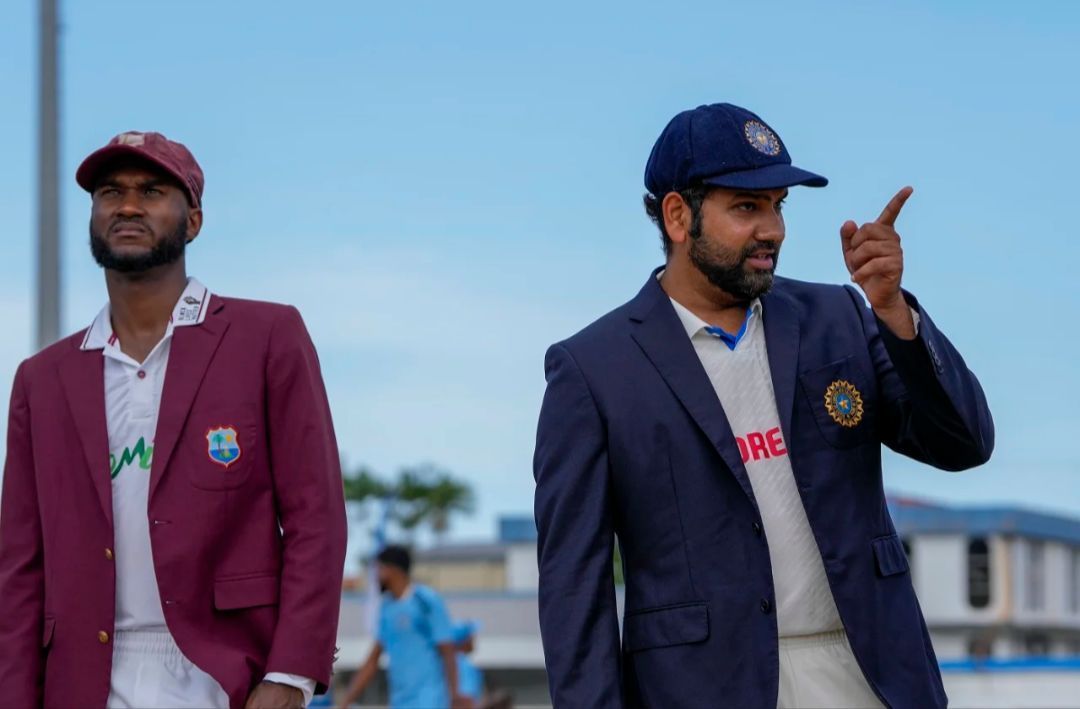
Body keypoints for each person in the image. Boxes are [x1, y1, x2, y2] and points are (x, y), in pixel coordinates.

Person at [533, 103, 994, 708]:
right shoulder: (593, 370)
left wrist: (893, 314)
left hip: (868, 673)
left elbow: (963, 445)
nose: (773, 228)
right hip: (703, 687)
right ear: (678, 215)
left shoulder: (842, 317)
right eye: (747, 207)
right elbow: (575, 589)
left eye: (778, 205)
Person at [0, 131, 347, 708]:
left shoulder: (267, 337)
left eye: (153, 191)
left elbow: (317, 516)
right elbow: (19, 566)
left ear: (193, 222)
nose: (128, 205)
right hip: (83, 678)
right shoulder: (43, 378)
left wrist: (291, 674)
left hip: (225, 674)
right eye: (111, 192)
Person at [338, 545, 460, 709]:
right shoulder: (387, 607)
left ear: (392, 569)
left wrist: (456, 697)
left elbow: (448, 651)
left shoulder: (426, 601)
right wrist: (345, 702)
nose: (376, 576)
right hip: (399, 702)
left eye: (379, 569)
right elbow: (373, 660)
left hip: (430, 701)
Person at [451, 621, 484, 708]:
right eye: (470, 636)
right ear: (463, 640)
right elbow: (466, 699)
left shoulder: (451, 662)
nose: (474, 639)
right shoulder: (462, 665)